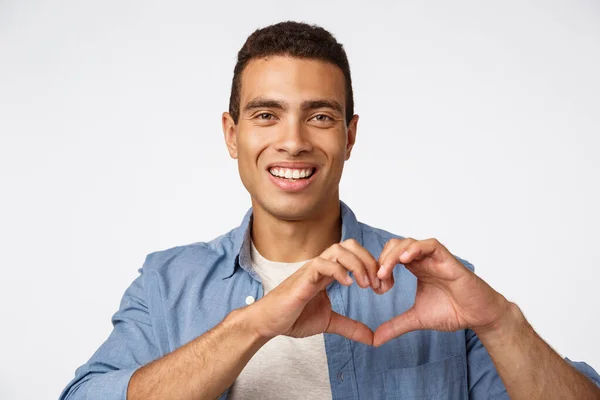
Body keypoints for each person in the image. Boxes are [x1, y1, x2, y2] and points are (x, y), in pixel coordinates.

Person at [59, 21, 600, 400]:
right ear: (232, 134)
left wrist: (501, 323)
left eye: (319, 117)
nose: (292, 142)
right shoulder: (165, 283)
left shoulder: (430, 288)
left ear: (349, 135)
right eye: (267, 114)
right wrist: (251, 326)